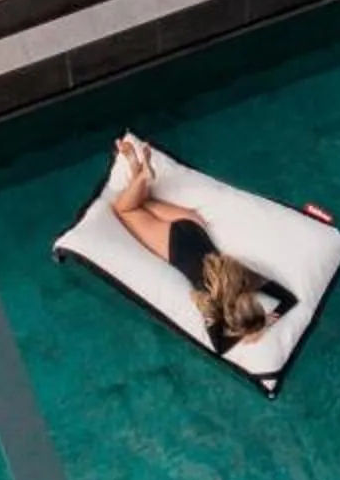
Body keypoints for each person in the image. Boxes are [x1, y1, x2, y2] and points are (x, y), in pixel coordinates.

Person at [110, 135, 298, 353]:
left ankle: (138, 169)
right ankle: (142, 175)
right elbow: (219, 346)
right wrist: (254, 331)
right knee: (124, 210)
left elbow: (288, 299)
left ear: (252, 302)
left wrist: (265, 321)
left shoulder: (246, 278)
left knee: (144, 202)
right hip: (173, 244)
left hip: (194, 227)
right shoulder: (210, 302)